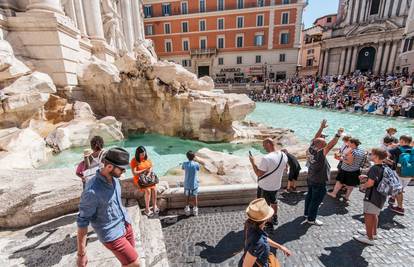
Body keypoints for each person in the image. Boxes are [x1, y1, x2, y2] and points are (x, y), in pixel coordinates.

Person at [77, 147, 139, 267]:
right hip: (111, 234)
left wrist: (128, 225)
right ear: (109, 167)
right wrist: (81, 254)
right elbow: (82, 222)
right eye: (121, 169)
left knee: (128, 263)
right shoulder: (92, 191)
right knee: (135, 263)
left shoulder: (114, 179)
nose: (124, 172)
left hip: (125, 224)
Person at [305, 120, 344, 226]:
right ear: (321, 146)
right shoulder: (320, 154)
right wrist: (338, 134)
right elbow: (330, 145)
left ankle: (306, 213)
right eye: (324, 143)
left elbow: (316, 138)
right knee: (316, 200)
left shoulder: (310, 148)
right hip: (319, 180)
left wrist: (321, 128)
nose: (325, 143)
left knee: (309, 195)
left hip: (310, 177)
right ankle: (311, 219)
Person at [249, 138, 288, 229]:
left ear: (268, 144)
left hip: (265, 186)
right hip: (276, 185)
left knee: (264, 205)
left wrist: (253, 162)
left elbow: (258, 173)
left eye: (264, 145)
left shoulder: (266, 158)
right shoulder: (283, 155)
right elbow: (286, 168)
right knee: (274, 202)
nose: (263, 148)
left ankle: (268, 222)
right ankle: (275, 217)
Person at [242, 198, 292, 267]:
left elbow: (263, 238)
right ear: (266, 219)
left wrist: (280, 247)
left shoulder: (249, 224)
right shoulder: (258, 243)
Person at [353, 148, 388, 245]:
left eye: (371, 154)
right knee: (374, 214)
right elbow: (378, 179)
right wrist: (367, 177)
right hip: (381, 195)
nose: (369, 155)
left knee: (368, 214)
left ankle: (369, 238)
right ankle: (373, 233)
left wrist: (363, 186)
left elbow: (370, 183)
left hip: (372, 196)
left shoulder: (374, 168)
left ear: (376, 156)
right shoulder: (384, 166)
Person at [328, 138, 366, 203]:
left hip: (346, 170)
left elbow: (349, 162)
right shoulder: (362, 150)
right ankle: (347, 197)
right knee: (351, 185)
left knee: (339, 182)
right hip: (355, 170)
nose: (347, 144)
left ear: (353, 143)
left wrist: (339, 158)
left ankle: (334, 193)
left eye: (349, 142)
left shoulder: (352, 152)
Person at [388, 135, 413, 215]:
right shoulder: (412, 149)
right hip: (410, 173)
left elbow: (386, 153)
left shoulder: (398, 149)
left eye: (400, 141)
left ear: (403, 141)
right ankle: (392, 198)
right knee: (401, 187)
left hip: (398, 172)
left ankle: (400, 208)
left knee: (399, 190)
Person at [130, 146, 159, 217]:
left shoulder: (147, 158)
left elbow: (151, 167)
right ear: (138, 154)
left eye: (144, 153)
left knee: (154, 189)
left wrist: (149, 173)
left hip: (148, 178)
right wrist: (144, 170)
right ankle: (147, 209)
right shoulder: (134, 160)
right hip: (139, 179)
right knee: (148, 190)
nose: (143, 155)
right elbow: (134, 173)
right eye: (142, 154)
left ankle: (154, 206)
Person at [182, 150, 200, 216]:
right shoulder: (196, 164)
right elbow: (198, 169)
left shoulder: (184, 163)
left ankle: (187, 209)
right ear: (194, 157)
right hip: (194, 184)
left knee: (187, 197)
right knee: (195, 196)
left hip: (187, 184)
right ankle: (195, 210)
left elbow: (183, 168)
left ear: (187, 157)